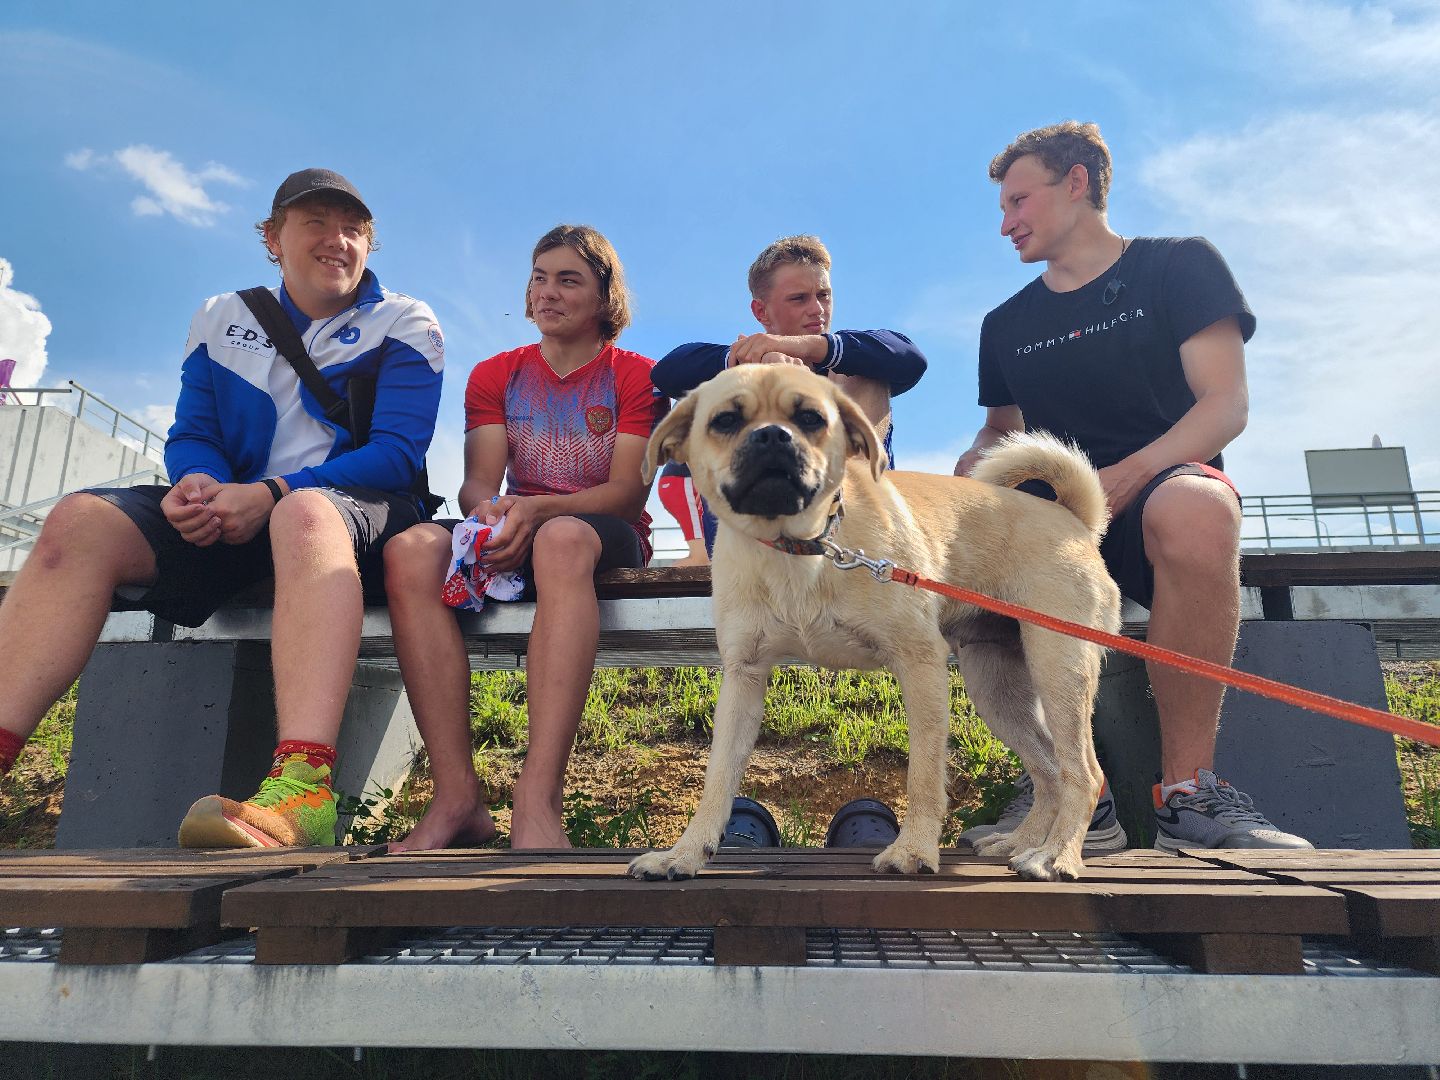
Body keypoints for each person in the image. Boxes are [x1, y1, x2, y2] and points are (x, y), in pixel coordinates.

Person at [0, 168, 445, 849]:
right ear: (272, 238)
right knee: (78, 520)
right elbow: (194, 432)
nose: (338, 240)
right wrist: (197, 486)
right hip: (238, 515)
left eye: (354, 229)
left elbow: (396, 452)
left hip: (353, 520)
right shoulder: (222, 314)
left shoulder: (406, 320)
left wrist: (271, 494)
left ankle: (304, 793)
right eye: (316, 223)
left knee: (306, 514)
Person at [955, 121, 1311, 852]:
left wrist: (1133, 473)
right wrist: (977, 459)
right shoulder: (1005, 323)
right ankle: (1066, 790)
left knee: (1200, 507)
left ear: (1077, 183)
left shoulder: (1179, 266)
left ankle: (1189, 794)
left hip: (1157, 493)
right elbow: (1000, 429)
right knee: (963, 554)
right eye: (1002, 208)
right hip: (1054, 526)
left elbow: (1225, 403)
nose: (1005, 223)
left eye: (1018, 201)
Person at [385, 225, 661, 852]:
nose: (548, 292)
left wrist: (534, 511)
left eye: (569, 280)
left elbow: (626, 493)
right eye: (540, 276)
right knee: (410, 550)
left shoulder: (637, 376)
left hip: (599, 533)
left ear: (604, 296)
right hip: (520, 526)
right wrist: (498, 517)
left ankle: (537, 804)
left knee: (561, 537)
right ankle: (457, 799)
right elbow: (478, 484)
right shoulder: (495, 374)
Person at [651, 234, 927, 551]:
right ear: (761, 312)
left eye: (824, 295)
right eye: (799, 299)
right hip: (753, 546)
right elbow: (667, 372)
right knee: (731, 396)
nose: (817, 309)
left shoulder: (851, 361)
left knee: (863, 378)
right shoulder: (741, 369)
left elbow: (910, 358)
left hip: (857, 538)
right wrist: (756, 362)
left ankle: (853, 517)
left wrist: (799, 347)